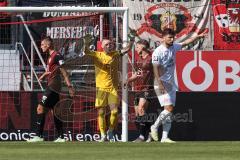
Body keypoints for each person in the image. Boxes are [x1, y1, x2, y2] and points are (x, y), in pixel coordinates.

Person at [150, 28, 206, 143]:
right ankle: (154, 127)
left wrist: (197, 36)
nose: (172, 39)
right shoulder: (158, 51)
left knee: (169, 112)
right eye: (169, 37)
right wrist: (160, 83)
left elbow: (186, 42)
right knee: (169, 108)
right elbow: (155, 68)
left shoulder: (175, 46)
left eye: (173, 37)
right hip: (160, 83)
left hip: (170, 83)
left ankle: (164, 138)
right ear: (163, 37)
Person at [84, 35, 132, 142]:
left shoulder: (115, 54)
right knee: (101, 113)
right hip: (101, 89)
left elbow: (127, 49)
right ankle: (102, 135)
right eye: (107, 44)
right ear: (102, 46)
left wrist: (132, 40)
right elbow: (86, 51)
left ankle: (110, 131)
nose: (109, 45)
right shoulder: (97, 55)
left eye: (111, 44)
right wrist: (86, 42)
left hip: (113, 89)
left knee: (114, 112)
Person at [27, 37, 75, 142]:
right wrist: (43, 75)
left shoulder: (57, 56)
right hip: (52, 85)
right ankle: (61, 137)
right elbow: (50, 71)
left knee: (40, 108)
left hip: (53, 86)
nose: (41, 47)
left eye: (42, 45)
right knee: (55, 111)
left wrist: (70, 87)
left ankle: (38, 136)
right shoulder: (50, 57)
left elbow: (64, 72)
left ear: (48, 45)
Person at [124, 39, 154, 142]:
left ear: (143, 47)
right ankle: (151, 133)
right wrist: (127, 80)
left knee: (141, 108)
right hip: (138, 89)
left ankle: (141, 136)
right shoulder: (139, 59)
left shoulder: (151, 58)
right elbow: (138, 74)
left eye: (137, 46)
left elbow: (159, 70)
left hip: (147, 88)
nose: (136, 49)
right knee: (138, 114)